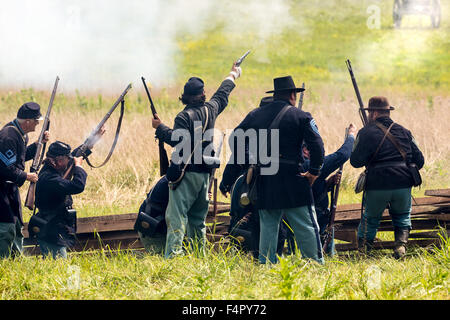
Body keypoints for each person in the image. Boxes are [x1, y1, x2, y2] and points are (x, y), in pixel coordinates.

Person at [225, 76, 325, 264]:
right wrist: (314, 171)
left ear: (275, 94)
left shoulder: (255, 115)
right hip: (293, 177)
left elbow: (235, 139)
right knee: (306, 225)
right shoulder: (301, 116)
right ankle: (314, 264)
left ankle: (266, 266)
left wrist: (249, 163)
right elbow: (317, 144)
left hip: (266, 178)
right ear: (292, 95)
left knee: (268, 225)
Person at [152, 62, 241, 258]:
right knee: (198, 219)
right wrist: (233, 74)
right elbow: (222, 93)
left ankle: (173, 255)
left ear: (185, 97)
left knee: (176, 217)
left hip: (185, 173)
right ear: (202, 94)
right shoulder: (211, 109)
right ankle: (199, 256)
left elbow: (178, 139)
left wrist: (160, 127)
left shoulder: (183, 116)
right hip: (205, 175)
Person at [350, 96, 424, 259]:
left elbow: (355, 161)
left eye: (370, 112)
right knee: (403, 215)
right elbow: (420, 160)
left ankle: (364, 253)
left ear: (374, 113)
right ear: (387, 112)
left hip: (378, 183)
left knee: (371, 218)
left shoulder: (366, 132)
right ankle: (400, 247)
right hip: (403, 183)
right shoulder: (404, 131)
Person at [287, 123, 357, 256]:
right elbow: (342, 155)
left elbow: (311, 187)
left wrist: (327, 184)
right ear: (305, 150)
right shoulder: (309, 165)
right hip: (316, 218)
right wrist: (351, 136)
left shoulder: (291, 165)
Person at [0, 102, 49, 258]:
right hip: (2, 189)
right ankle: (3, 263)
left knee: (16, 227)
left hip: (10, 189)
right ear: (28, 121)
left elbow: (19, 158)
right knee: (6, 229)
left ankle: (15, 262)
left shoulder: (21, 134)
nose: (37, 124)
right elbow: (4, 168)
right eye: (36, 120)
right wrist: (26, 176)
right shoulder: (8, 136)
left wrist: (37, 145)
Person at [34, 141, 87, 259]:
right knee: (58, 266)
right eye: (67, 159)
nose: (70, 161)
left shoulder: (52, 169)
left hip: (55, 227)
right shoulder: (50, 178)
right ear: (58, 161)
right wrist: (78, 166)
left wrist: (94, 138)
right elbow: (77, 186)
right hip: (52, 230)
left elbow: (75, 155)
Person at [135, 176, 169, 254]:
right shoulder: (171, 181)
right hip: (153, 230)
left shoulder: (169, 178)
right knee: (160, 259)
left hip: (155, 225)